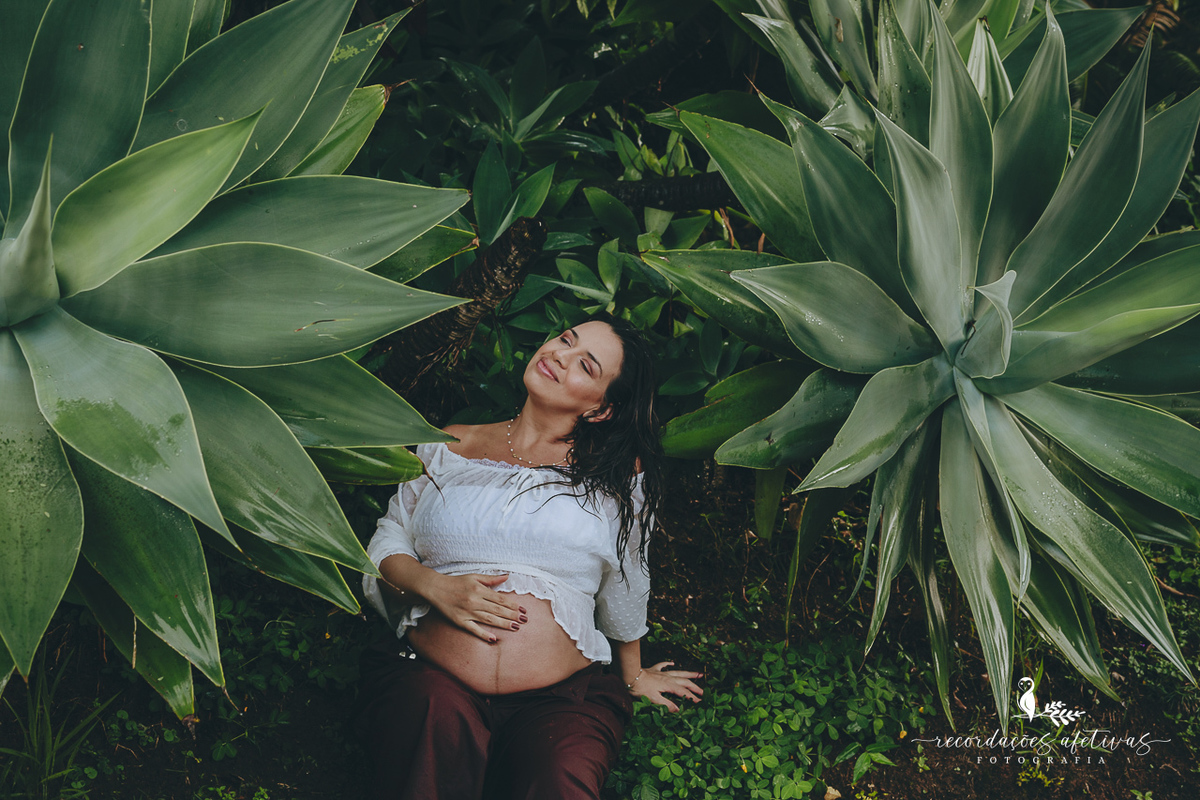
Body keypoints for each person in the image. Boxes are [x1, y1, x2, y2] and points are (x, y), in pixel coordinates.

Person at [357, 315, 703, 800]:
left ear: (602, 409)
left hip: (560, 700)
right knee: (429, 757)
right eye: (564, 339)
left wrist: (633, 673)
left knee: (560, 782)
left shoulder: (619, 477)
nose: (559, 356)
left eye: (584, 364)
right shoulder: (448, 442)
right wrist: (435, 587)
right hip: (434, 676)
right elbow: (388, 539)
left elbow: (628, 575)